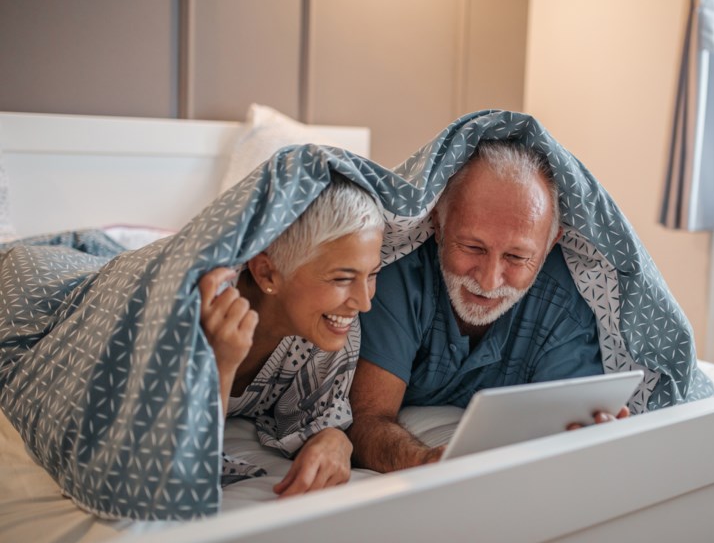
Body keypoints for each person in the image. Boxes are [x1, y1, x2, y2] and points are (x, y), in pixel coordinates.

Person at [348, 140, 626, 473]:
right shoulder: (397, 276)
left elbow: (569, 430)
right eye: (472, 247)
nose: (490, 280)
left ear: (550, 245)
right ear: (437, 224)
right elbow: (365, 419)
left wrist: (592, 438)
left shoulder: (565, 304)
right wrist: (425, 461)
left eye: (517, 257)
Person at [199, 174, 383, 496]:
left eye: (372, 274)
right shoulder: (199, 311)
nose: (364, 303)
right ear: (267, 273)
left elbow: (315, 421)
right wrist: (220, 365)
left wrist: (336, 440)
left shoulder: (326, 333)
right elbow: (174, 464)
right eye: (342, 278)